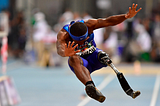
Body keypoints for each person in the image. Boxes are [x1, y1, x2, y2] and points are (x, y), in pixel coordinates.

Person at [56, 3, 142, 103]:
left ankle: (102, 65)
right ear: (72, 38)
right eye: (81, 41)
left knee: (103, 55)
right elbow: (59, 49)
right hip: (81, 65)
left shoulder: (89, 25)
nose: (85, 40)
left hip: (94, 57)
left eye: (86, 38)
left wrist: (126, 16)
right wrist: (65, 52)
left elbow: (108, 21)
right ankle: (91, 87)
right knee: (73, 58)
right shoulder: (63, 35)